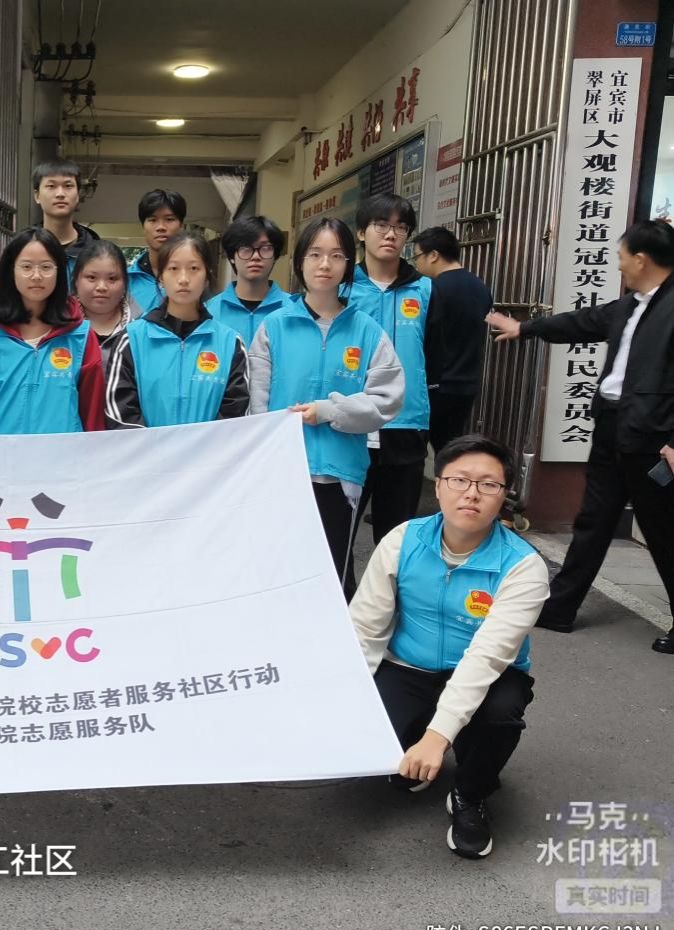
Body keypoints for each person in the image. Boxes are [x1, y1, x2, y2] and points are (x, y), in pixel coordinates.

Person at [350, 435, 548, 859]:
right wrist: (346, 702)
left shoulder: (524, 567)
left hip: (489, 676)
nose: (471, 493)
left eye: (488, 484)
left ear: (504, 495)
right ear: (438, 485)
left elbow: (486, 658)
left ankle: (470, 794)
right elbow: (365, 627)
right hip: (408, 666)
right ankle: (412, 746)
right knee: (369, 737)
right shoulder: (402, 540)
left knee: (499, 715)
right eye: (459, 480)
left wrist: (437, 739)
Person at [486, 219, 674, 653]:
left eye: (622, 255)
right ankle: (560, 608)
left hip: (654, 435)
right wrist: (525, 328)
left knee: (664, 530)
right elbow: (583, 322)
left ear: (641, 259)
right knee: (593, 521)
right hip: (612, 426)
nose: (618, 264)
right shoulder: (631, 305)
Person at [249, 216, 404, 596]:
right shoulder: (274, 327)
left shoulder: (367, 330)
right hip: (285, 472)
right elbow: (257, 405)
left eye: (336, 255)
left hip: (341, 473)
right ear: (300, 261)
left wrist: (330, 411)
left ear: (348, 264)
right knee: (278, 571)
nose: (324, 264)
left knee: (330, 575)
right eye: (315, 254)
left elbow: (387, 399)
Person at [0, 227, 105, 434]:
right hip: (1, 452)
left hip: (64, 453)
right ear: (11, 270)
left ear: (59, 272)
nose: (36, 276)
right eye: (26, 267)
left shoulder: (80, 336)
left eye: (46, 267)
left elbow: (93, 415)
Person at [349, 195, 434, 544]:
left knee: (396, 535)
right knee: (339, 528)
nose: (391, 234)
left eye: (400, 227)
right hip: (351, 420)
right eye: (381, 225)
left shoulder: (425, 289)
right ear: (361, 233)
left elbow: (436, 354)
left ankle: (390, 583)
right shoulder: (343, 288)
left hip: (406, 422)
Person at [105, 232, 249, 428]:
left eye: (194, 268)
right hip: (146, 448)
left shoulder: (230, 343)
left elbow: (236, 413)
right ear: (161, 277)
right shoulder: (132, 339)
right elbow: (120, 411)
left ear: (207, 276)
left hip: (211, 448)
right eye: (173, 268)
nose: (183, 279)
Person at [412, 227, 493, 452]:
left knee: (419, 447)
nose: (416, 264)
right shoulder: (480, 286)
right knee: (450, 447)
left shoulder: (433, 289)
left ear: (433, 255)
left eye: (417, 256)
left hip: (436, 384)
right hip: (467, 383)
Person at [212, 215, 290, 344]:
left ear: (275, 256)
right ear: (231, 256)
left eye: (265, 248)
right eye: (245, 248)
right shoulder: (209, 311)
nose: (255, 256)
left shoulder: (293, 310)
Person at [32, 159, 100, 278]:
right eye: (51, 186)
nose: (60, 194)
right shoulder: (22, 248)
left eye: (68, 186)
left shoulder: (98, 252)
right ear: (37, 196)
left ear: (78, 195)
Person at [125, 189, 187, 316]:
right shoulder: (125, 281)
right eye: (153, 220)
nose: (161, 227)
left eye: (169, 219)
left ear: (182, 226)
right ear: (143, 226)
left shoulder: (195, 277)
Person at [72, 240, 134, 351]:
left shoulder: (142, 327)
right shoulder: (57, 324)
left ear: (125, 282)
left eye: (112, 278)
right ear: (76, 280)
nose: (101, 287)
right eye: (92, 277)